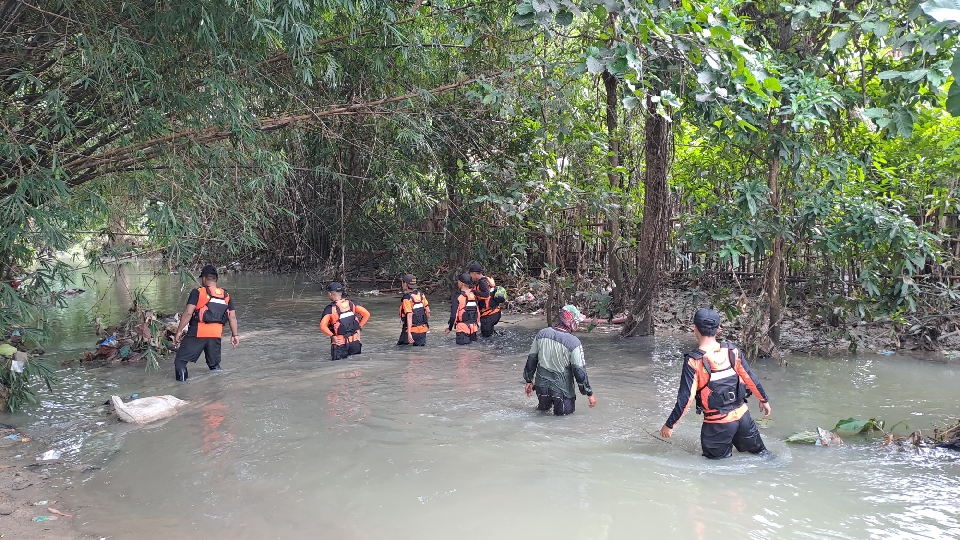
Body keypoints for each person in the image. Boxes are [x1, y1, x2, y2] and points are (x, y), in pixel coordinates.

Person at [659, 308, 772, 459]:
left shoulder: (694, 361)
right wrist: (764, 400)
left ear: (695, 328)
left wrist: (670, 424)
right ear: (718, 329)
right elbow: (750, 378)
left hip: (717, 425)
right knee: (763, 456)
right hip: (744, 419)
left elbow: (686, 398)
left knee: (715, 469)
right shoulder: (733, 351)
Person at [523, 305, 597, 415]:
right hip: (562, 391)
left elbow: (531, 360)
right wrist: (589, 393)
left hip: (541, 388)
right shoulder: (574, 343)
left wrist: (529, 380)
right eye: (577, 321)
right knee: (564, 422)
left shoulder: (542, 334)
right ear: (570, 321)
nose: (578, 324)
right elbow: (579, 371)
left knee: (541, 416)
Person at [172, 265, 240, 381]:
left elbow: (188, 313)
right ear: (216, 279)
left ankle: (181, 390)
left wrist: (179, 331)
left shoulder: (198, 292)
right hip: (216, 335)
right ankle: (217, 391)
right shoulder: (226, 295)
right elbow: (232, 317)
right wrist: (235, 335)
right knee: (214, 366)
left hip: (198, 333)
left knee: (180, 361)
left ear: (203, 278)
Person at [319, 282, 371, 361]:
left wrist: (332, 336)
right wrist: (359, 327)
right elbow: (366, 314)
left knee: (338, 369)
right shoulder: (352, 304)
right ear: (341, 292)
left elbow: (322, 326)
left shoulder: (330, 309)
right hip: (355, 342)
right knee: (355, 367)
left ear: (330, 294)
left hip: (340, 343)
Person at [444, 273, 479, 345]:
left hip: (462, 331)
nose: (457, 282)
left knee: (462, 353)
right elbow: (477, 313)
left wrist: (449, 328)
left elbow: (453, 316)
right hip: (473, 330)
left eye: (458, 281)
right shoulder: (473, 295)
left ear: (462, 283)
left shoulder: (458, 297)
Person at [468, 262, 501, 338]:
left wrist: (473, 292)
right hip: (494, 313)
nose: (470, 277)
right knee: (490, 336)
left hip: (489, 315)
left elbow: (486, 295)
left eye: (470, 274)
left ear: (474, 274)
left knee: (487, 339)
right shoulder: (486, 280)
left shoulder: (482, 282)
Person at [397, 274, 430, 346]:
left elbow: (409, 315)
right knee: (419, 352)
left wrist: (409, 333)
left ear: (405, 284)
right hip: (423, 330)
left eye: (402, 283)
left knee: (400, 350)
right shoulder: (421, 295)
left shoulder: (407, 298)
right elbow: (428, 311)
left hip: (410, 331)